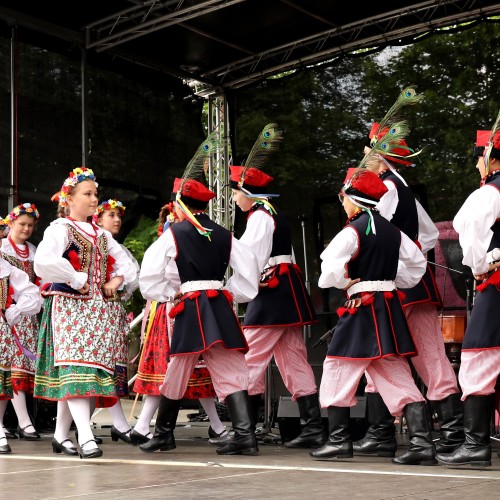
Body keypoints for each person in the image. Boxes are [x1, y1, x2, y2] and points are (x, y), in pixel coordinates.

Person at [139, 135, 261, 456]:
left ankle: (164, 433)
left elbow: (149, 277)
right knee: (227, 364)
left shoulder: (174, 234)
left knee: (180, 364)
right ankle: (245, 435)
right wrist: (229, 292)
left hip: (191, 304)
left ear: (180, 204)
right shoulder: (225, 234)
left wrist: (170, 294)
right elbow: (249, 274)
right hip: (218, 304)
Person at [353, 118, 463, 457]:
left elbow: (376, 235)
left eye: (367, 148)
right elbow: (427, 235)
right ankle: (437, 430)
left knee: (398, 352)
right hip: (408, 281)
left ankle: (393, 432)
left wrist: (394, 263)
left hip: (394, 284)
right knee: (394, 352)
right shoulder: (402, 188)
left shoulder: (384, 188)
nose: (361, 153)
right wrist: (412, 258)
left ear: (378, 155)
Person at [311, 168, 436, 465]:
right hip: (387, 305)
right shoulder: (394, 232)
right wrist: (392, 278)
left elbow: (327, 270)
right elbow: (417, 265)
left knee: (337, 366)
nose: (342, 202)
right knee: (395, 370)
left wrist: (345, 281)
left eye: (344, 197)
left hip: (362, 307)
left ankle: (339, 441)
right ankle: (421, 443)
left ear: (354, 199)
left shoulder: (352, 230)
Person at [229, 123, 324, 449]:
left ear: (248, 193)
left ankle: (245, 432)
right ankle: (312, 428)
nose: (234, 197)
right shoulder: (274, 215)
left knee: (249, 357)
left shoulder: (258, 217)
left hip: (271, 291)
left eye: (236, 191)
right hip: (287, 289)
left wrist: (234, 288)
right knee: (294, 358)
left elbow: (249, 259)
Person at [33, 167, 137, 458]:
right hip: (70, 307)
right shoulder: (60, 229)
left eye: (95, 194)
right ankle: (87, 437)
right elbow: (43, 262)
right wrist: (77, 278)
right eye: (87, 194)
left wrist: (116, 280)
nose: (94, 200)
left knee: (86, 371)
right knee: (77, 369)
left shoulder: (101, 234)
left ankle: (60, 435)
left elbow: (129, 267)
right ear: (69, 198)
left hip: (98, 312)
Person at [132, 202, 229, 445]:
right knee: (172, 370)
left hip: (180, 306)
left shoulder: (185, 237)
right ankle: (145, 425)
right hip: (173, 309)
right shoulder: (176, 239)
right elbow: (168, 276)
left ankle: (146, 426)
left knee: (188, 370)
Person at [437, 113, 500, 467]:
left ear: (490, 157)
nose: (477, 163)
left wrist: (478, 268)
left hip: (496, 285)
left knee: (479, 358)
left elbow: (469, 233)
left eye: (479, 156)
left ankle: (476, 446)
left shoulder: (489, 192)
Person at [93, 198, 140, 444]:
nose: (117, 219)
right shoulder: (96, 242)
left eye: (119, 216)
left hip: (112, 313)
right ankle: (119, 425)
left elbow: (133, 278)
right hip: (93, 313)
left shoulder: (115, 247)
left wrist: (119, 282)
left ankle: (83, 427)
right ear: (98, 219)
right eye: (110, 215)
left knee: (108, 368)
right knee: (99, 369)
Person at [1, 203, 43, 441]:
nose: (26, 228)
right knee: (11, 370)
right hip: (8, 315)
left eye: (30, 225)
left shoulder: (33, 250)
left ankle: (13, 423)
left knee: (20, 371)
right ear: (11, 224)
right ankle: (23, 422)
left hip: (27, 315)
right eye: (21, 224)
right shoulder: (3, 247)